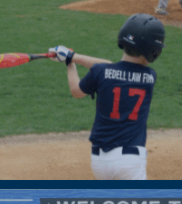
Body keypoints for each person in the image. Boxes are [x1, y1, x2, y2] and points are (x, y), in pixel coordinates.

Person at [49, 13, 165, 180]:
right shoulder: (150, 77)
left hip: (99, 162)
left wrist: (70, 61)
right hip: (130, 161)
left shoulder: (102, 72)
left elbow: (77, 90)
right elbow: (109, 67)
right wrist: (71, 56)